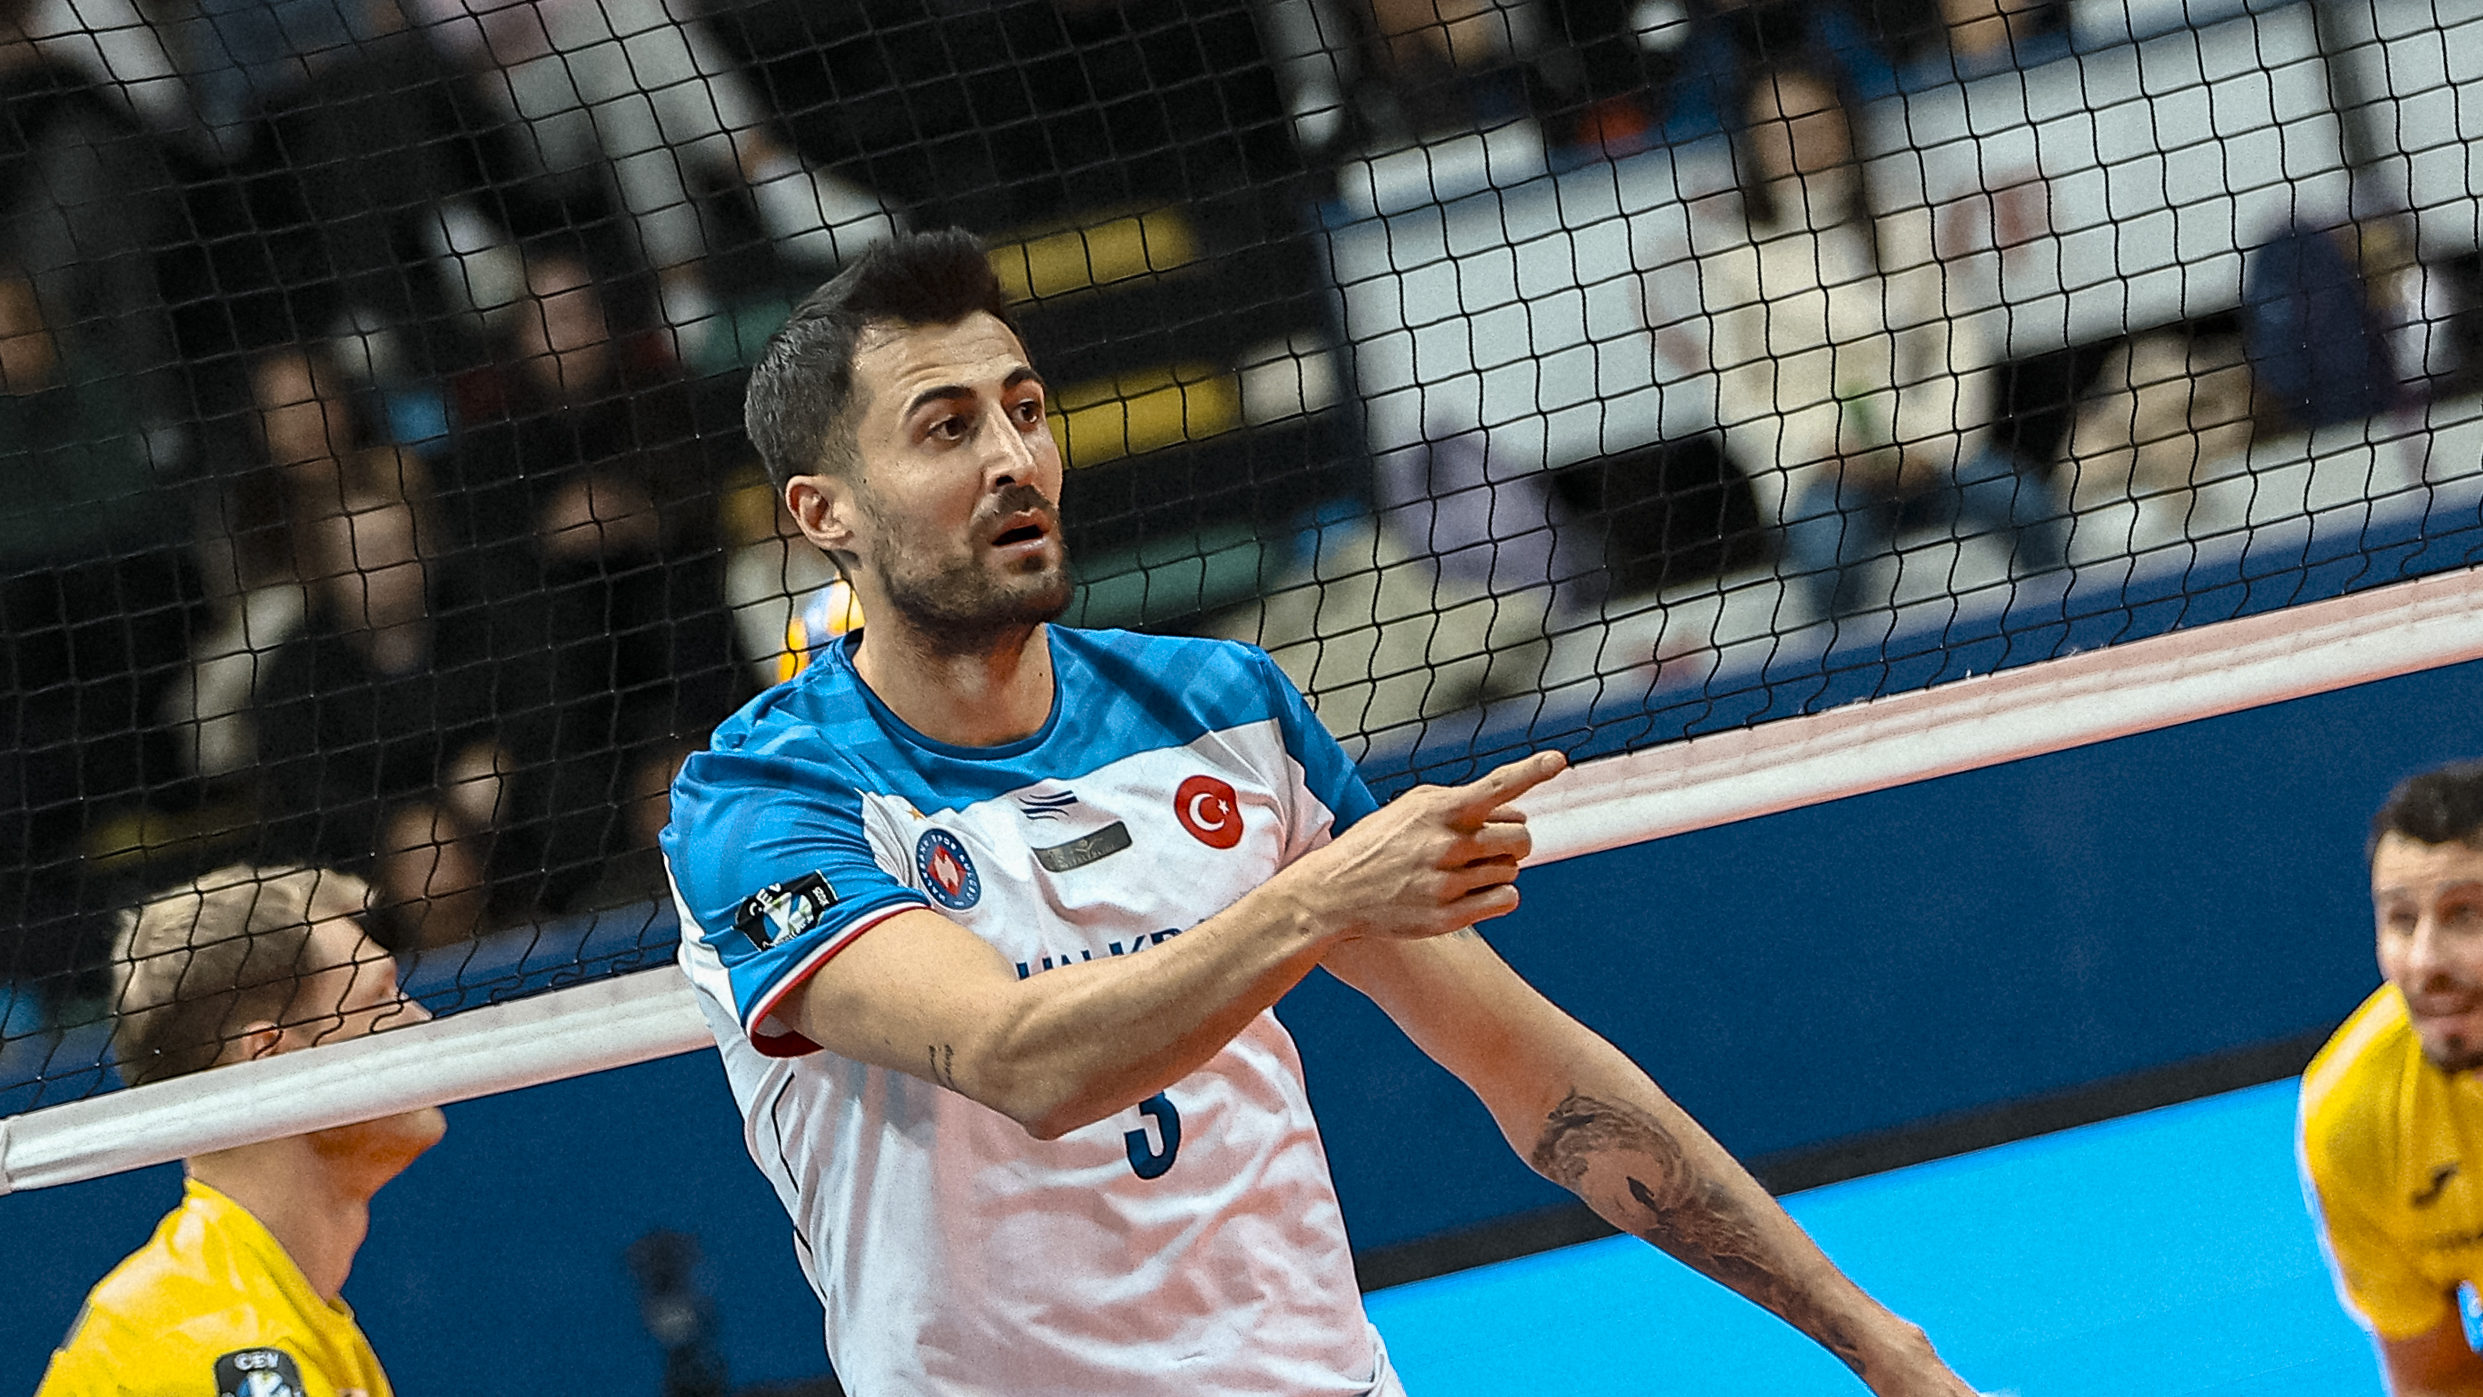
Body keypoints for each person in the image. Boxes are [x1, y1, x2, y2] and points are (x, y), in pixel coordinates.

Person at [661, 228, 1980, 1396]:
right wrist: (1318, 897)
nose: (1014, 459)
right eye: (946, 430)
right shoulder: (765, 803)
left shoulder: (1219, 708)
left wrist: (1877, 1342)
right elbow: (1025, 1062)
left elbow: (1533, 1071)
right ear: (822, 513)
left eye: (1024, 410)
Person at [1637, 55, 2066, 621]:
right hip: (1817, 474)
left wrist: (1932, 439)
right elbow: (1731, 393)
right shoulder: (1731, 254)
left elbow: (1958, 341)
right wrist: (1818, 451)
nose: (1798, 140)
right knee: (1829, 557)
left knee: (2024, 501)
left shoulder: (1902, 220)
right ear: (1754, 143)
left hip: (1927, 453)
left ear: (1845, 122)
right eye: (1776, 128)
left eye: (1812, 120)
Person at [36, 864, 444, 1396]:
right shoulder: (214, 1337)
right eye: (382, 999)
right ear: (271, 1058)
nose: (420, 1021)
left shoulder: (285, 1310)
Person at [2301, 761, 2483, 1396]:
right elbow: (2437, 1378)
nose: (2425, 962)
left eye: (2465, 914)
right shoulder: (2353, 1111)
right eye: (2401, 919)